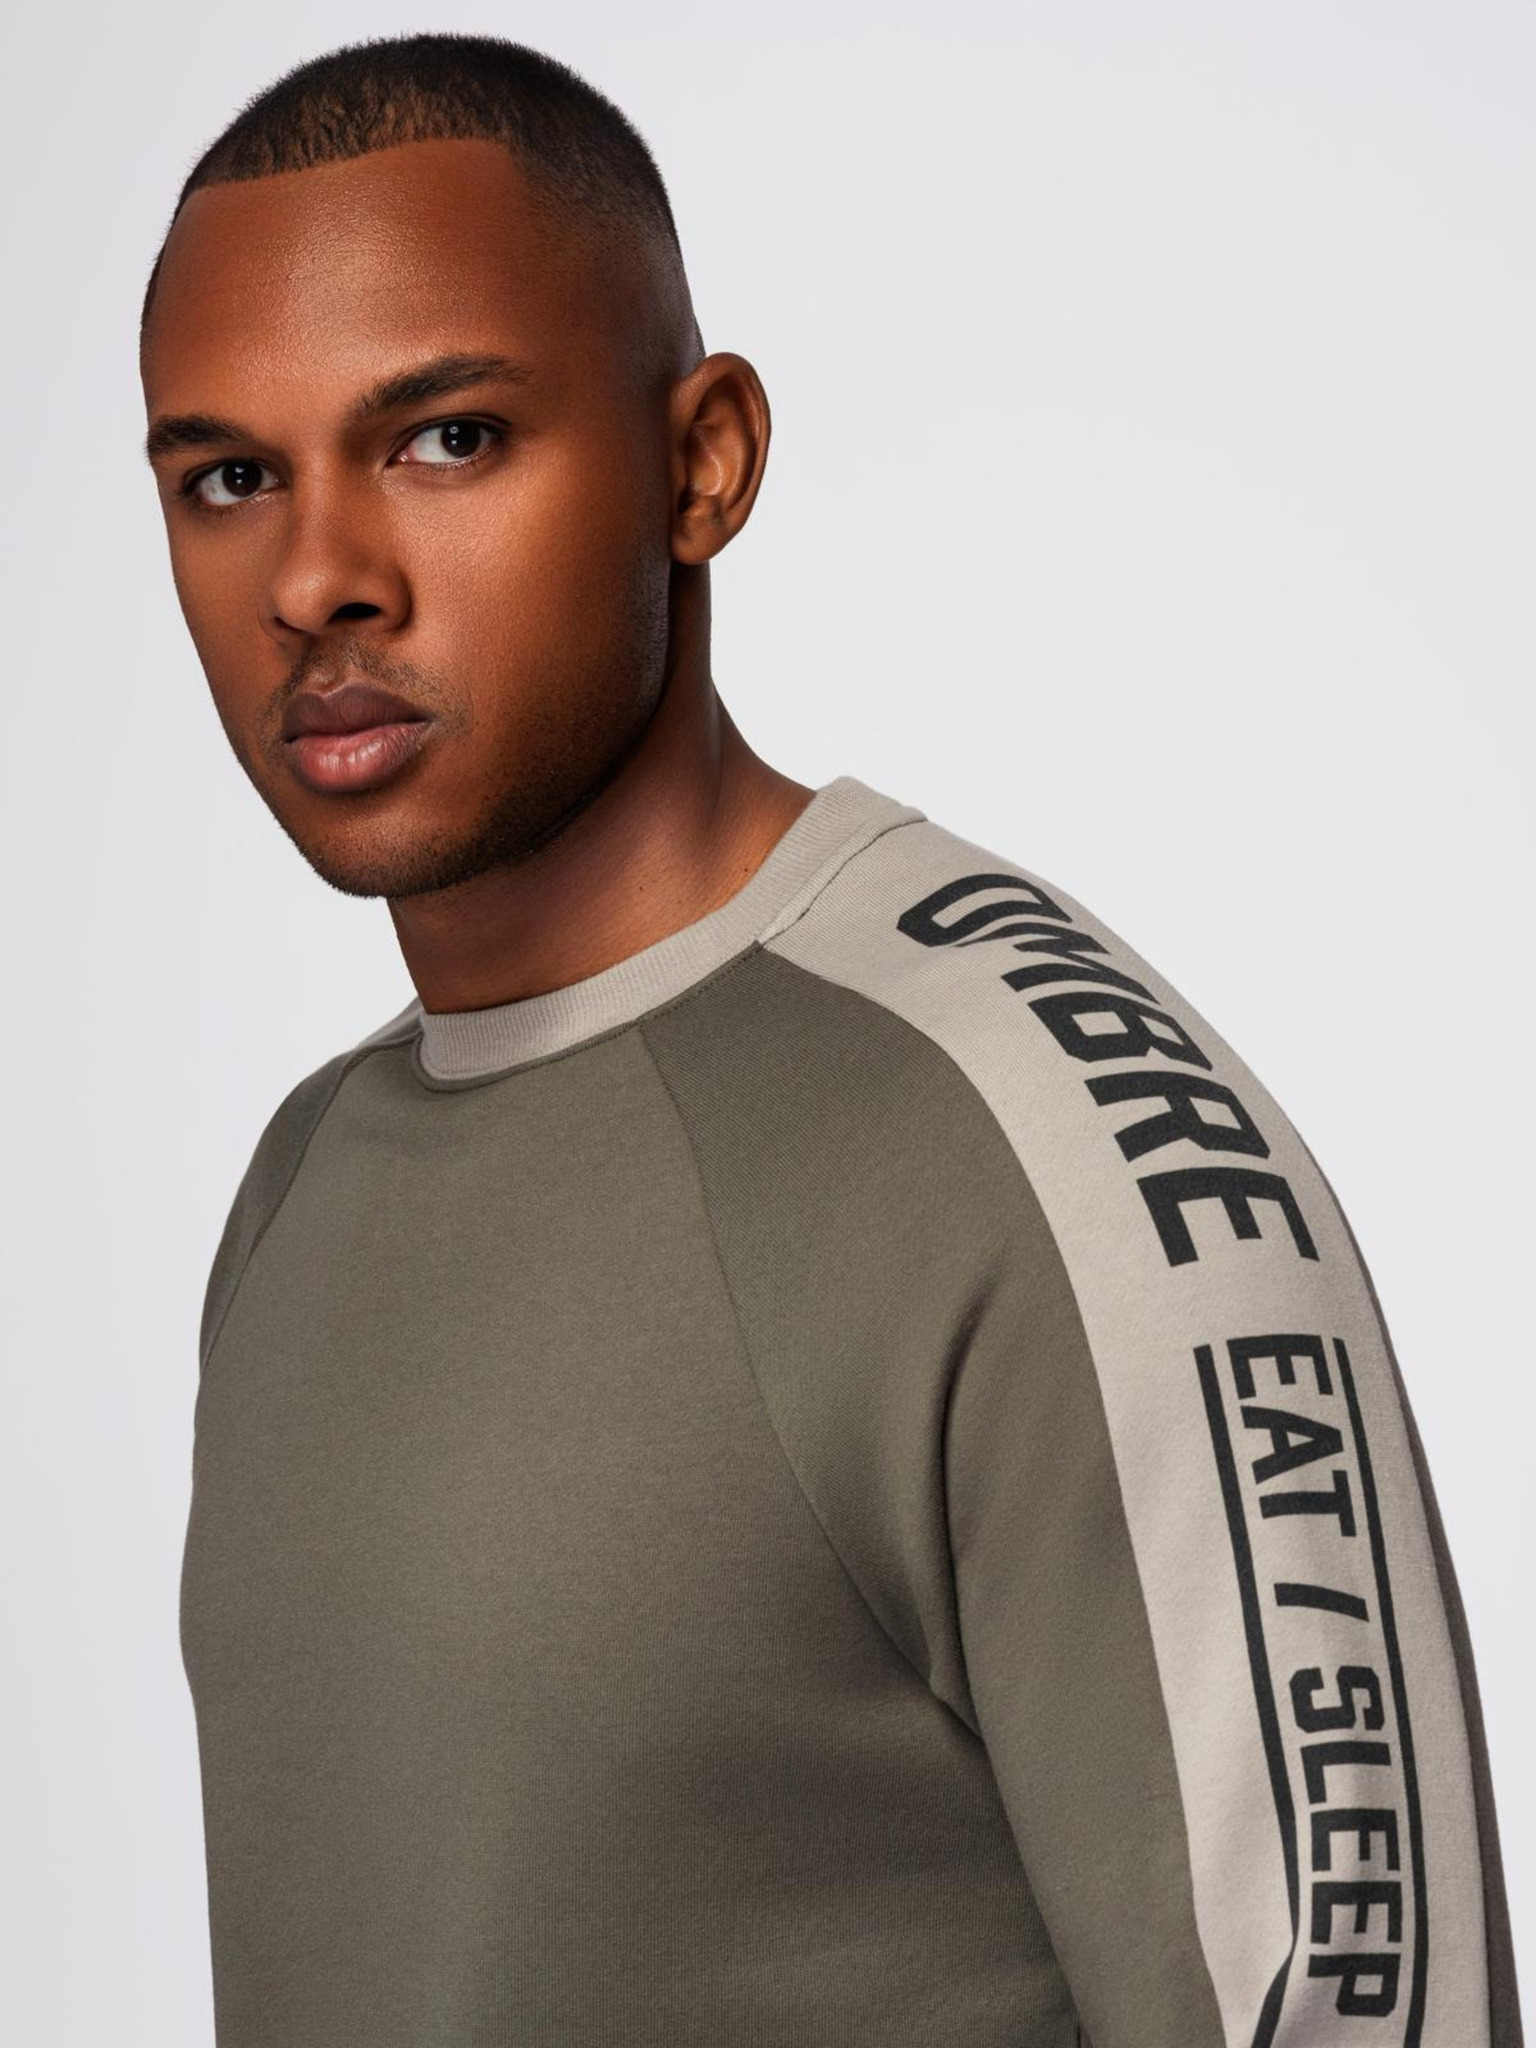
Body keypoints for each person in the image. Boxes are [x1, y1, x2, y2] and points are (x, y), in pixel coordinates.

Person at [140, 32, 1522, 2048]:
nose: (317, 579)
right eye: (229, 479)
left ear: (702, 463)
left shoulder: (1044, 1142)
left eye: (446, 438)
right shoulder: (303, 1186)